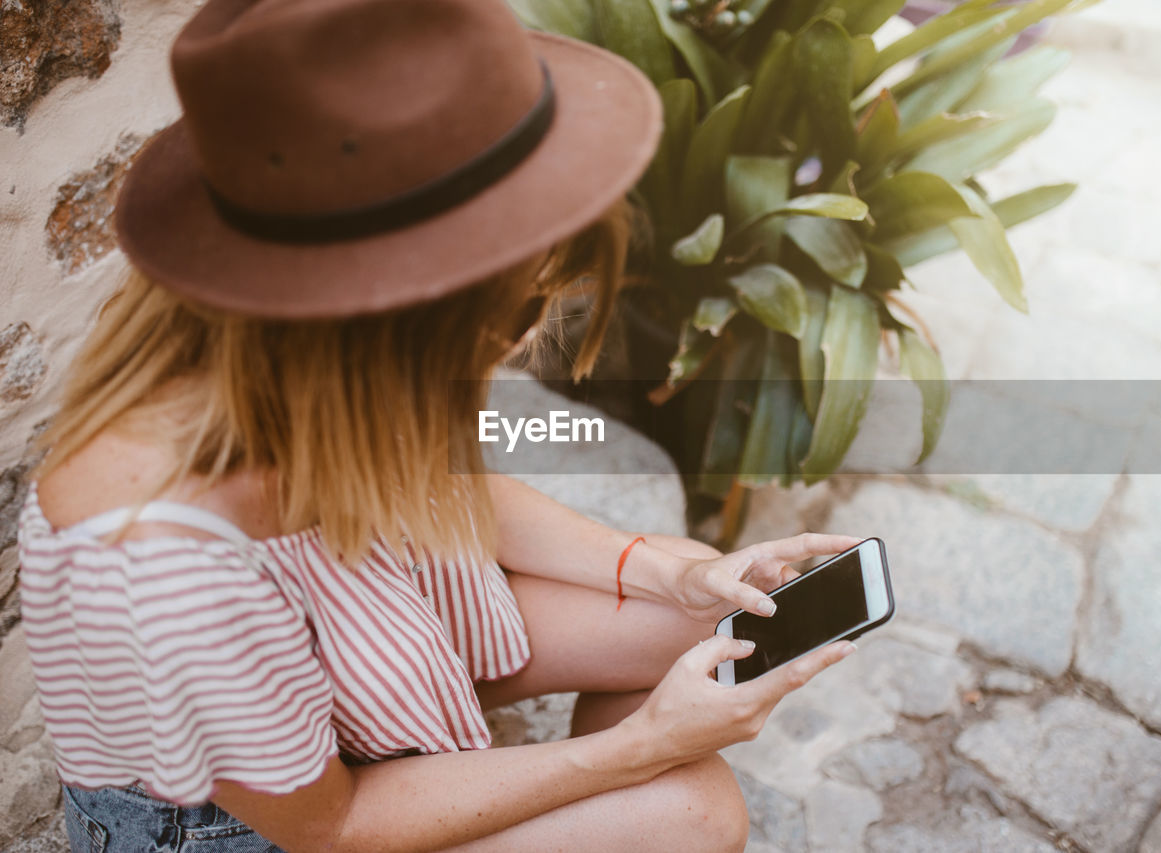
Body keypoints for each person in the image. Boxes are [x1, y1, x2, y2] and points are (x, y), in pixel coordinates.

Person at [18, 0, 859, 850]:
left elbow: (447, 488)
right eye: (517, 301)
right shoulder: (159, 558)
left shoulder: (292, 353)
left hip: (363, 637)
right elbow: (333, 824)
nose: (529, 331)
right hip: (252, 824)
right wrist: (638, 749)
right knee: (695, 813)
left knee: (703, 603)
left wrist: (656, 573)